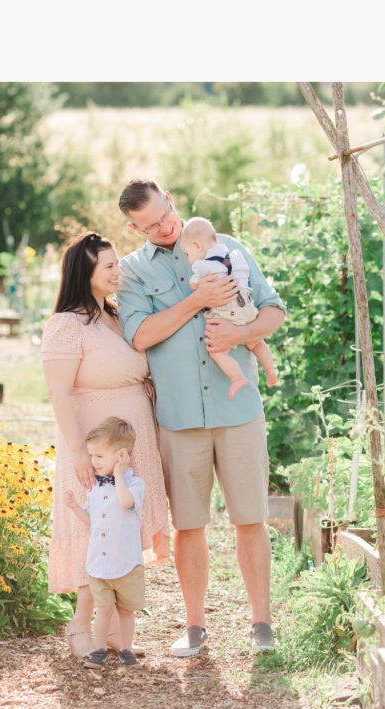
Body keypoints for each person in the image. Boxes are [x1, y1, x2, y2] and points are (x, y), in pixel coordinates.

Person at [116, 179, 286, 656]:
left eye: (165, 215)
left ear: (170, 198)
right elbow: (141, 335)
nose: (164, 227)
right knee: (188, 525)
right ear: (133, 227)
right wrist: (195, 302)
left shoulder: (228, 247)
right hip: (179, 416)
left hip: (239, 410)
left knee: (250, 518)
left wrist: (242, 334)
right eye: (149, 226)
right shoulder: (130, 273)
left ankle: (261, 624)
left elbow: (274, 311)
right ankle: (194, 627)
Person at [41, 231, 170, 659]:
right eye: (110, 265)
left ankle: (112, 629)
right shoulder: (67, 324)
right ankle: (80, 624)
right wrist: (79, 452)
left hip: (130, 443)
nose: (119, 271)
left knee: (120, 528)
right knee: (93, 525)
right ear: (87, 271)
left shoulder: (114, 314)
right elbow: (59, 393)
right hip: (94, 445)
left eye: (118, 263)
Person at [63, 417, 146, 669]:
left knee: (126, 611)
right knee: (103, 610)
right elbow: (92, 522)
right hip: (98, 564)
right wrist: (75, 507)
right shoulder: (96, 488)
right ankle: (98, 650)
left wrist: (119, 474)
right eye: (91, 456)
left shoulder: (135, 484)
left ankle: (126, 648)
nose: (93, 462)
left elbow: (125, 503)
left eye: (98, 456)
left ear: (121, 456)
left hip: (126, 564)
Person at [180, 215, 278, 398]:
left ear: (197, 246)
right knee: (256, 342)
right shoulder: (234, 255)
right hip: (247, 307)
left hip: (227, 312)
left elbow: (195, 285)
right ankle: (271, 371)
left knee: (217, 351)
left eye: (187, 253)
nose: (188, 258)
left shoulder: (203, 265)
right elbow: (244, 274)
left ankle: (237, 378)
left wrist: (197, 285)